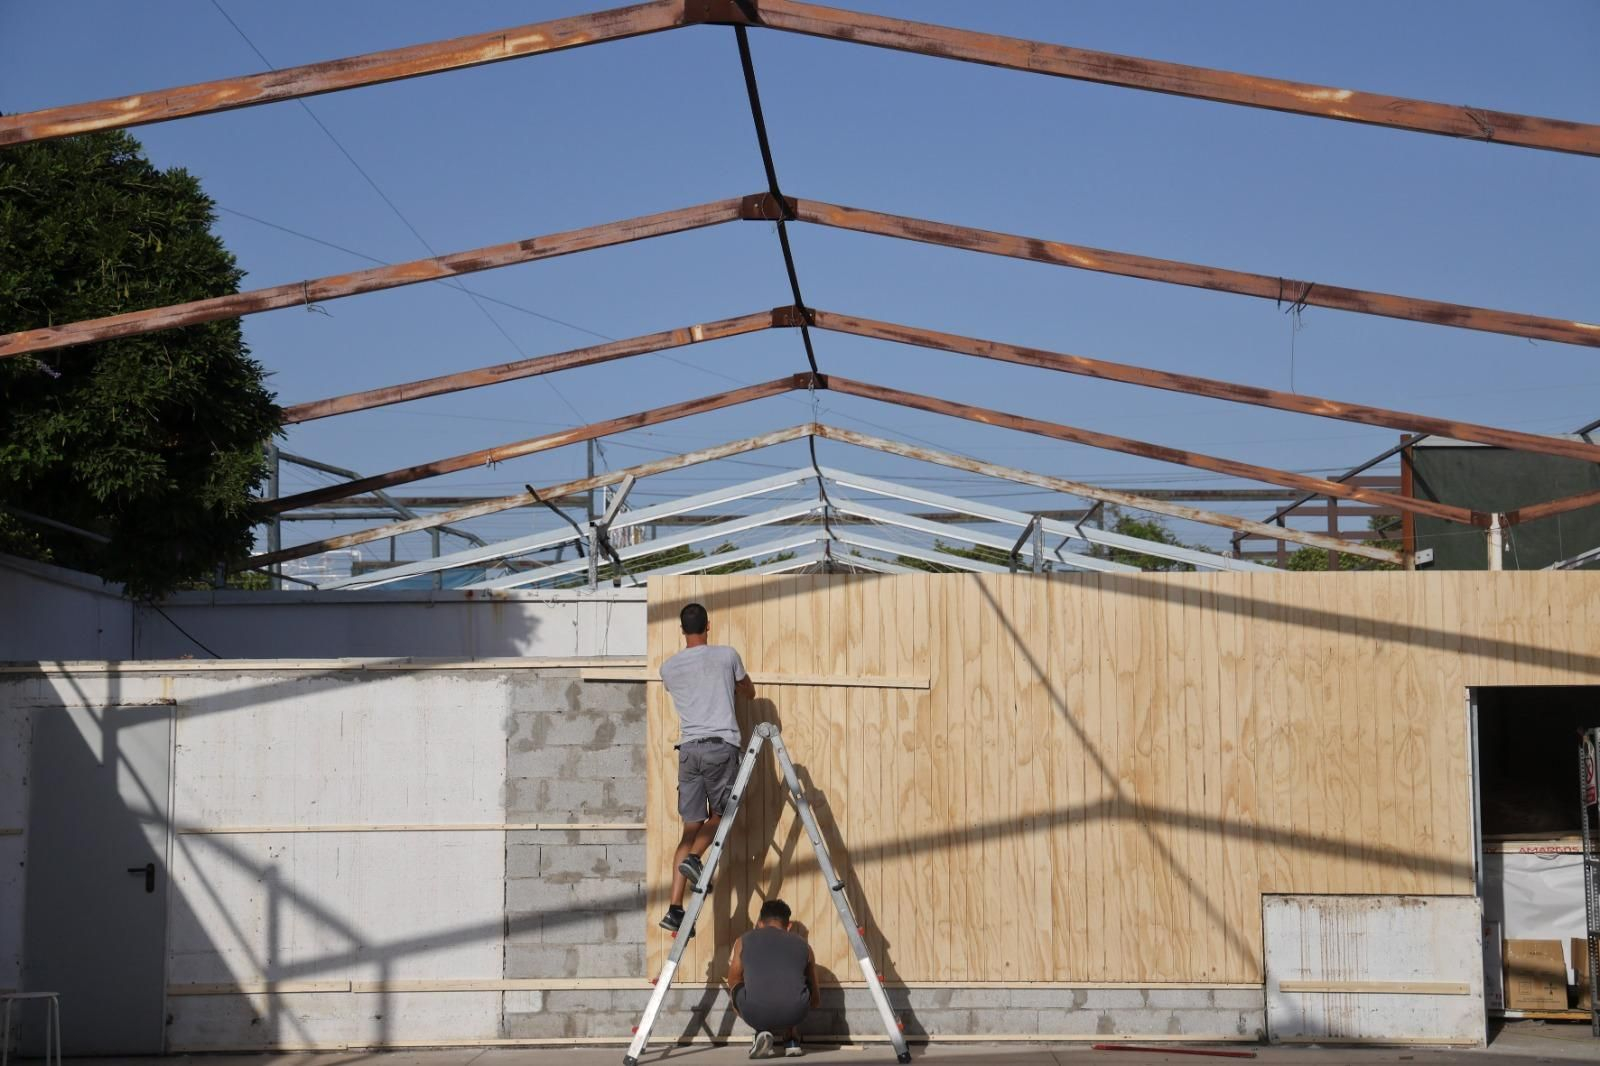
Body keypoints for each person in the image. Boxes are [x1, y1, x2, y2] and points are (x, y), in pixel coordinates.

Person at [657, 601, 754, 933]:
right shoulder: (727, 656)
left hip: (688, 751)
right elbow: (749, 691)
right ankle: (695, 859)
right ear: (708, 626)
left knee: (690, 828)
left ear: (681, 630)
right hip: (720, 747)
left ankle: (674, 907)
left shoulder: (668, 668)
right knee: (723, 814)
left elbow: (687, 689)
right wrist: (735, 686)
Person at [727, 898, 819, 1058]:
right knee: (803, 984)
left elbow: (733, 980)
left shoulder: (742, 941)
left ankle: (761, 1031)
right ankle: (791, 1039)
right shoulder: (805, 946)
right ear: (788, 926)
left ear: (760, 923)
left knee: (736, 987)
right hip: (796, 1013)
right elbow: (816, 998)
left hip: (754, 1013)